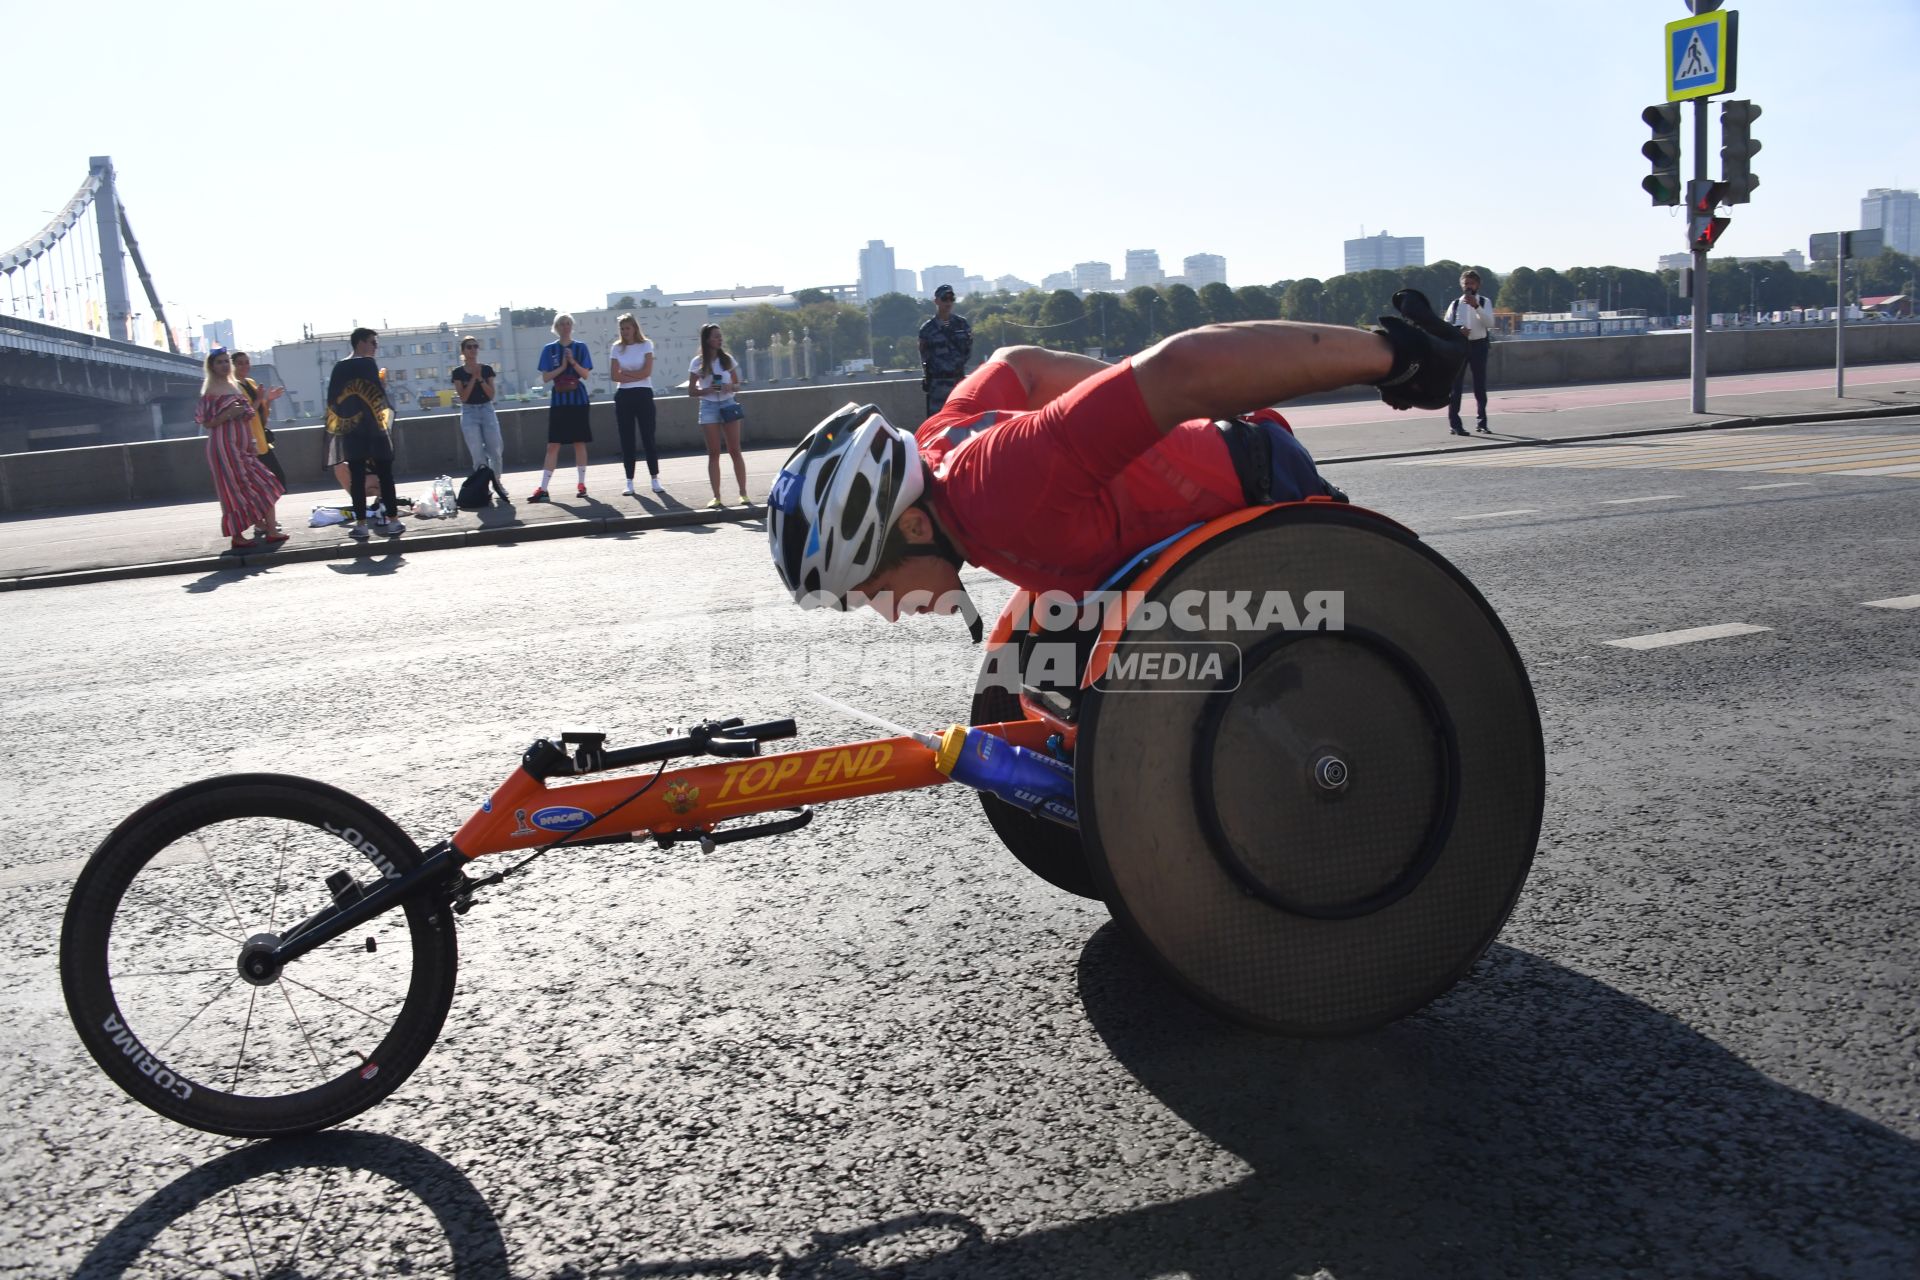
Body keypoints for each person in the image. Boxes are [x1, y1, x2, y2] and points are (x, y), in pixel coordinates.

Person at [767, 290, 1468, 631]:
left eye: (870, 590)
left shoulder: (999, 489)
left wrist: (1396, 357)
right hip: (1179, 533)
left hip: (1261, 492)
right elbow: (1022, 367)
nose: (887, 614)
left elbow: (1185, 364)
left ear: (912, 528)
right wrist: (1124, 426)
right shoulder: (938, 442)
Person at [196, 348, 286, 552]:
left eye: (226, 361)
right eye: (219, 362)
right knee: (232, 491)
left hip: (244, 446)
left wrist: (261, 401)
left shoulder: (234, 386)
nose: (224, 365)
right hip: (223, 448)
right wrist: (228, 413)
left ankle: (271, 531)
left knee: (267, 482)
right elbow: (206, 422)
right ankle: (237, 536)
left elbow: (248, 415)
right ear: (211, 366)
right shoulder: (210, 391)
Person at [326, 327, 406, 540]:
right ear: (361, 343)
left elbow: (333, 400)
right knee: (386, 476)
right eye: (373, 342)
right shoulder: (367, 364)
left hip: (351, 432)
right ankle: (393, 522)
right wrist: (381, 385)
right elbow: (378, 399)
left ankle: (361, 525)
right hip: (374, 430)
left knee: (357, 479)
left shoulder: (339, 367)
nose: (375, 347)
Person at [529, 313, 593, 502]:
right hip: (559, 401)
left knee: (579, 442)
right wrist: (563, 366)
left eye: (568, 323)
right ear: (556, 327)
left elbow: (585, 374)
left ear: (572, 326)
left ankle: (581, 484)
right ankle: (544, 487)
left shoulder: (580, 347)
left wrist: (573, 362)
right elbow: (546, 377)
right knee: (553, 445)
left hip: (578, 400)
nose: (565, 327)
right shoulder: (549, 349)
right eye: (562, 324)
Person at [689, 323, 749, 509]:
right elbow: (691, 391)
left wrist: (730, 387)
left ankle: (743, 493)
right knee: (714, 453)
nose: (719, 339)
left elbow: (738, 384)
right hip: (708, 406)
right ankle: (717, 497)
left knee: (734, 450)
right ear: (707, 339)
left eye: (720, 336)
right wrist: (706, 390)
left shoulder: (727, 359)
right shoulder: (697, 362)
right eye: (715, 336)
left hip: (728, 403)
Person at [451, 336, 511, 503]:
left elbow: (491, 394)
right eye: (469, 347)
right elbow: (463, 396)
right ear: (463, 351)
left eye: (475, 346)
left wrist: (480, 379)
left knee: (496, 450)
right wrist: (472, 379)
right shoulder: (458, 372)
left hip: (486, 409)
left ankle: (497, 482)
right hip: (469, 412)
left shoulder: (486, 370)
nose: (473, 350)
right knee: (477, 454)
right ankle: (482, 488)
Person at [609, 313, 662, 496]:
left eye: (628, 328)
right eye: (622, 329)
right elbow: (614, 375)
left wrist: (628, 375)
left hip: (643, 393)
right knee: (627, 439)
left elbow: (647, 372)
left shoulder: (646, 344)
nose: (625, 332)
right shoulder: (616, 348)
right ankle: (629, 481)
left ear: (634, 328)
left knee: (648, 436)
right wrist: (634, 375)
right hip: (624, 395)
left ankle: (655, 478)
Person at [1444, 270, 1497, 436]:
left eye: (1471, 283)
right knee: (1456, 386)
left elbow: (1490, 323)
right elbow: (1445, 326)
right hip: (1460, 347)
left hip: (1479, 345)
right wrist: (1458, 330)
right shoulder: (1454, 304)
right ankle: (1455, 424)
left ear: (1478, 285)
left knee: (1479, 385)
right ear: (1461, 285)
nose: (1468, 287)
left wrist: (1476, 306)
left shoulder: (1484, 301)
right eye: (1466, 283)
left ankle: (1482, 422)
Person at [230, 352, 287, 491]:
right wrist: (259, 399)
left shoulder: (251, 382)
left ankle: (266, 511)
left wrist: (267, 400)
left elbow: (260, 413)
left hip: (261, 441)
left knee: (278, 482)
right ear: (232, 366)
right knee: (264, 486)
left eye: (247, 362)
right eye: (240, 363)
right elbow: (245, 414)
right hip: (249, 444)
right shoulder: (233, 388)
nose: (245, 366)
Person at [918, 283, 973, 416]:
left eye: (951, 299)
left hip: (958, 382)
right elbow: (924, 355)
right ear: (936, 301)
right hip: (938, 384)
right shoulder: (927, 329)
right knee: (937, 423)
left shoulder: (962, 324)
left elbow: (968, 350)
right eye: (944, 299)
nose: (948, 302)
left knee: (961, 420)